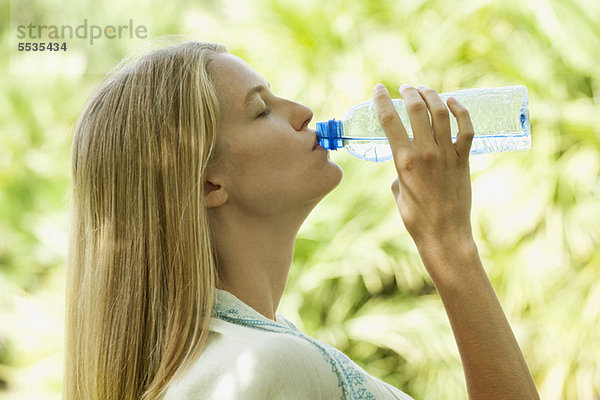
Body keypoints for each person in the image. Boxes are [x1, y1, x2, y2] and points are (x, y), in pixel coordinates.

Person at [64, 40, 539, 400]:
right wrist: (449, 244)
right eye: (261, 110)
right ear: (210, 185)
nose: (303, 112)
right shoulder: (262, 367)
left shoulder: (252, 348)